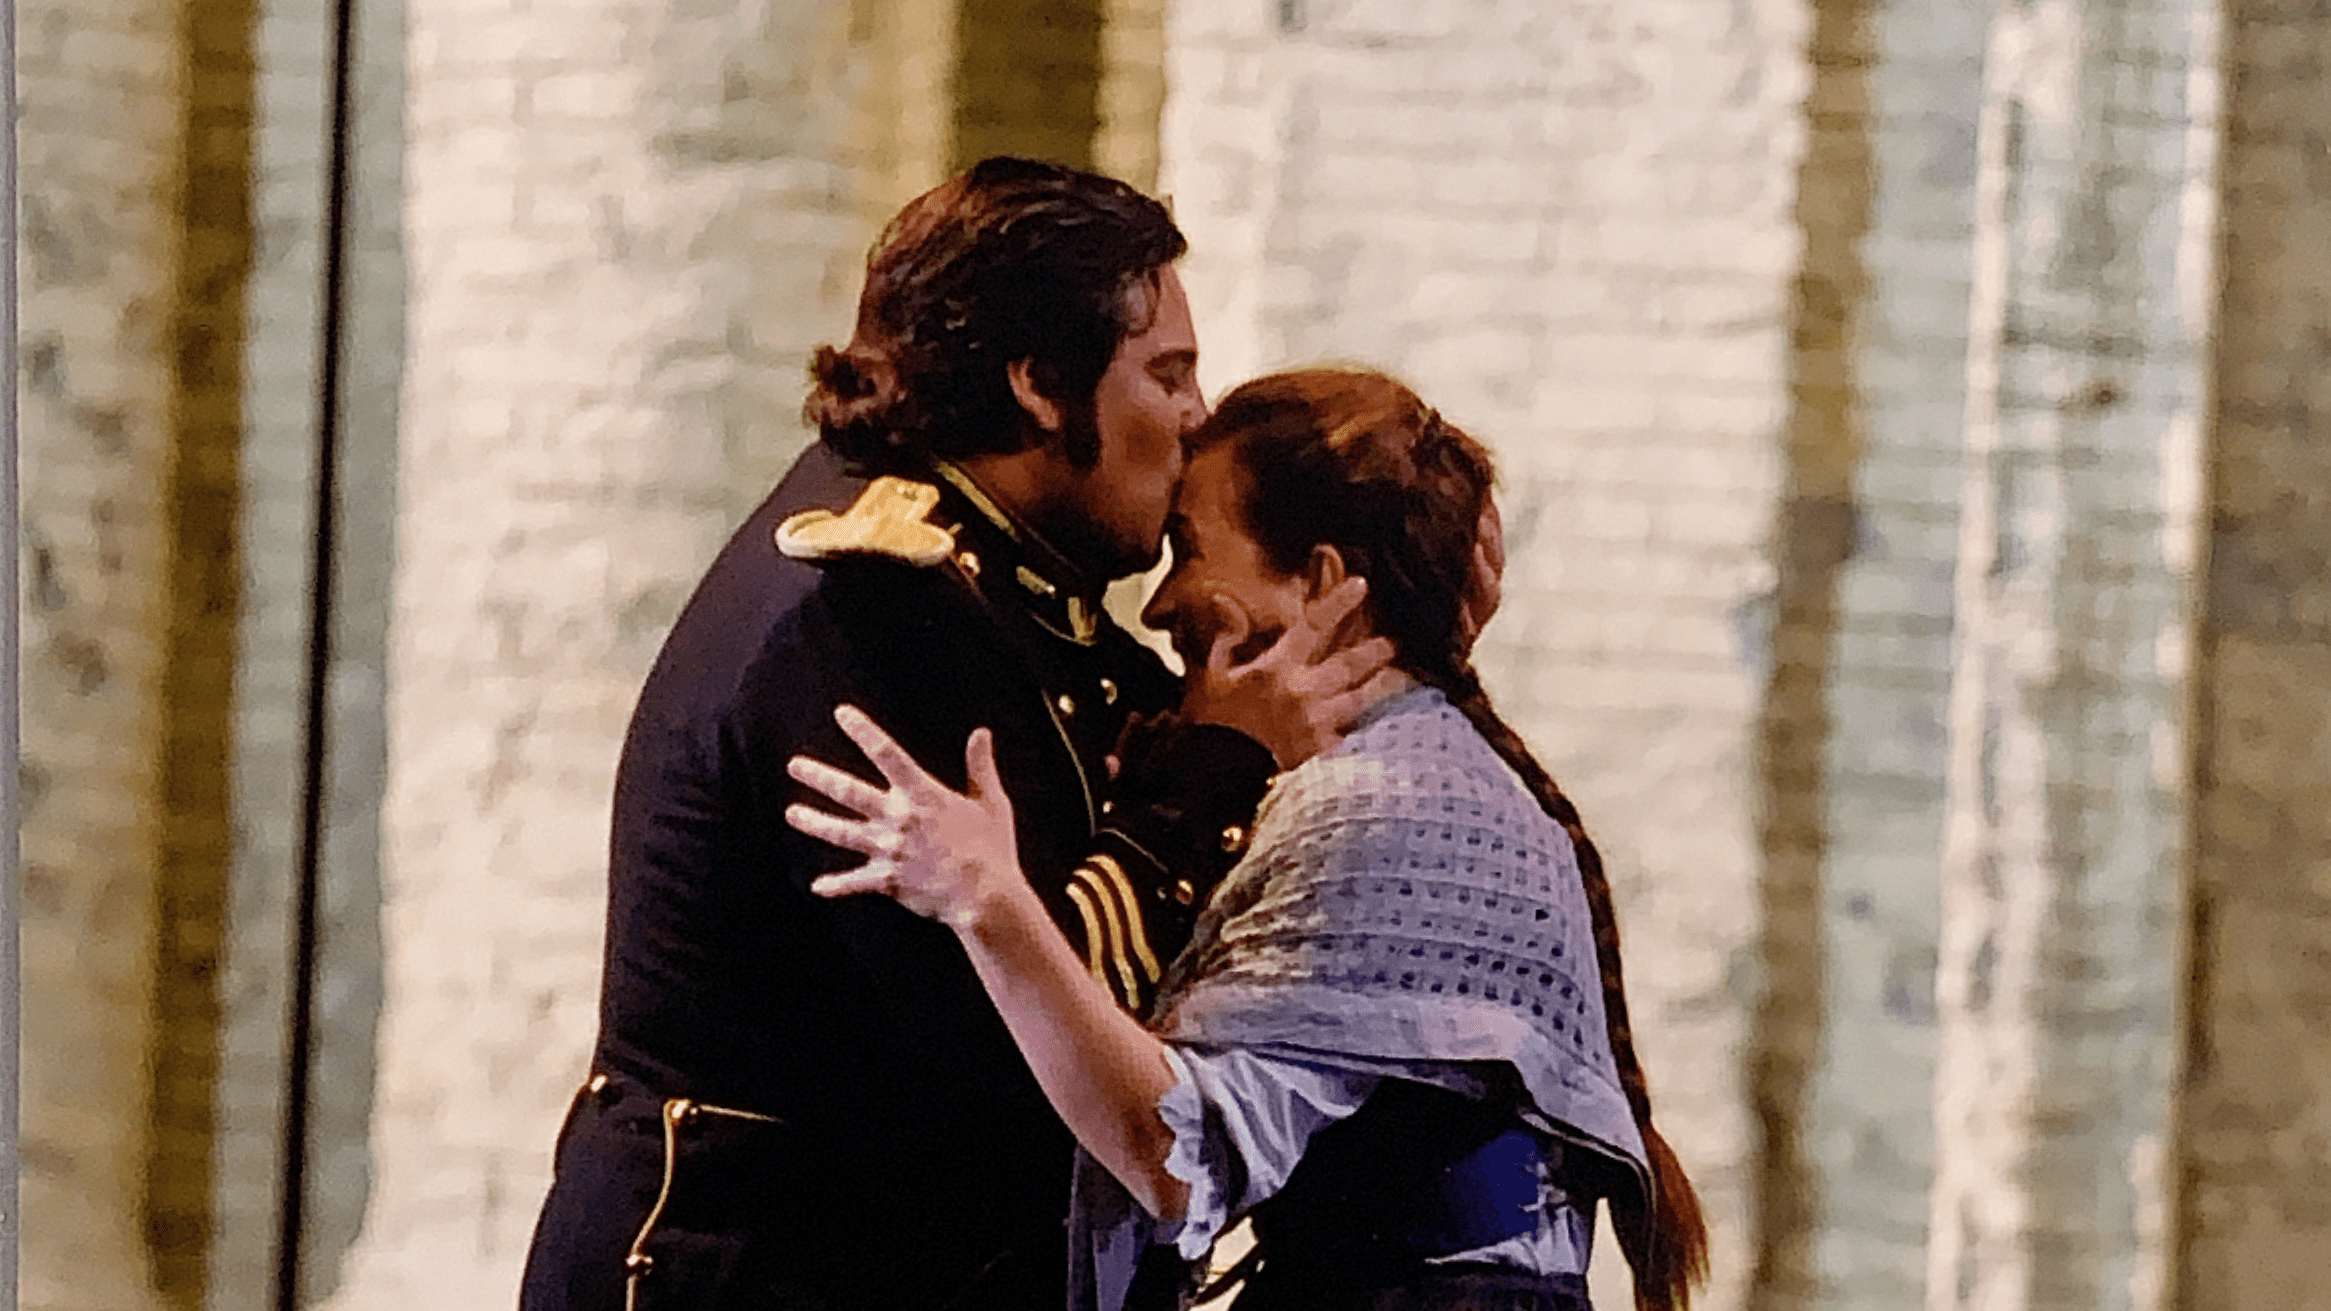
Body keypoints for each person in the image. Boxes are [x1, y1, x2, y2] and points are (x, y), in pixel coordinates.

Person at [518, 161, 1402, 1311]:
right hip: (755, 1271)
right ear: (1039, 385)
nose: (1195, 416)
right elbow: (1014, 1031)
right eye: (1166, 373)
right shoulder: (871, 615)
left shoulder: (1001, 585)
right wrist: (1219, 764)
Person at [786, 369, 1710, 1311]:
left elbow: (1170, 1158)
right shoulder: (1430, 774)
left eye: (1190, 550)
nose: (1160, 604)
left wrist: (987, 899)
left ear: (1319, 582)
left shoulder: (1377, 807)